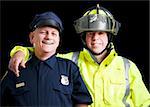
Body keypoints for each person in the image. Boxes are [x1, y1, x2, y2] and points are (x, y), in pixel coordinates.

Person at [7, 4, 150, 107]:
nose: (95, 38)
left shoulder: (127, 67)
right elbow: (44, 53)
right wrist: (21, 51)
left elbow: (144, 103)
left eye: (100, 33)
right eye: (90, 33)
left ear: (109, 36)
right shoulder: (70, 62)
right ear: (83, 37)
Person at [1, 11, 93, 107]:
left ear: (59, 40)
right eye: (43, 32)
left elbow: (82, 101)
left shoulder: (70, 68)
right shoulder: (16, 67)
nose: (48, 37)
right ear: (32, 37)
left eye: (53, 34)